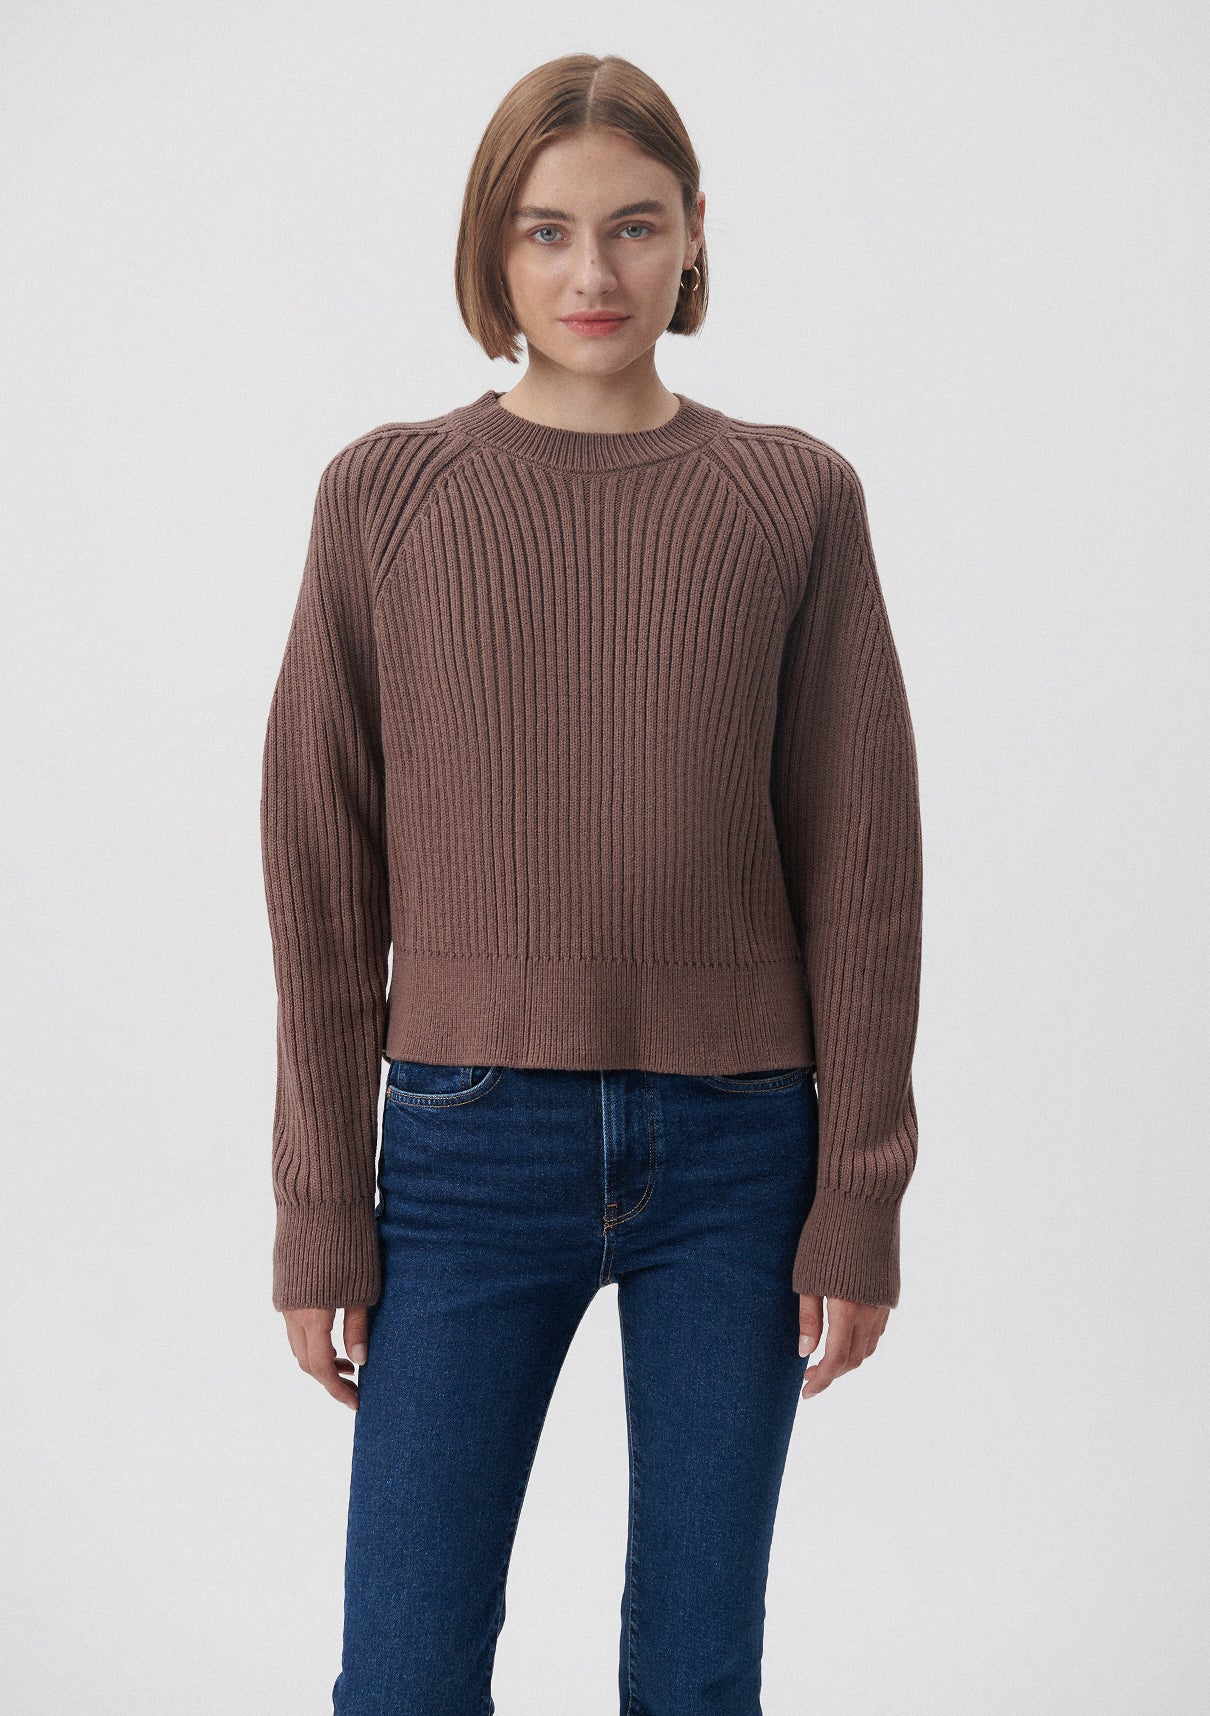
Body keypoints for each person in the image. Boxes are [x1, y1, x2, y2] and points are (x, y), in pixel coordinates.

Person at [259, 51, 923, 1716]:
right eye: (545, 231)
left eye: (632, 226)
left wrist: (859, 1188)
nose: (591, 274)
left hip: (741, 1151)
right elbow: (322, 877)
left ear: (693, 232)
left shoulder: (791, 495)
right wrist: (320, 1202)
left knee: (697, 1672)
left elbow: (862, 869)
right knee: (403, 1672)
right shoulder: (386, 494)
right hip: (466, 1146)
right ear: (490, 248)